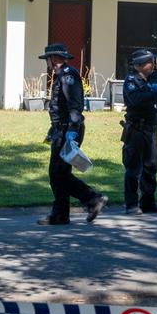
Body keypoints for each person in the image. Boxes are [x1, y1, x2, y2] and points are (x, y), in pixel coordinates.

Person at [38, 43, 107, 225]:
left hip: (69, 129)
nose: (47, 63)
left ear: (53, 59)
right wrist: (54, 129)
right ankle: (63, 213)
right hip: (61, 128)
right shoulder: (61, 75)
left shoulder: (68, 76)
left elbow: (74, 106)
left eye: (48, 59)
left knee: (57, 173)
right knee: (60, 173)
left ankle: (92, 199)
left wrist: (71, 131)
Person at [121, 49, 157, 215]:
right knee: (133, 168)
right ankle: (131, 204)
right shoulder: (131, 81)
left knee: (151, 167)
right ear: (140, 65)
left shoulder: (154, 77)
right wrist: (154, 91)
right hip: (136, 129)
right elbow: (136, 100)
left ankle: (148, 202)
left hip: (151, 130)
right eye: (150, 62)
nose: (153, 65)